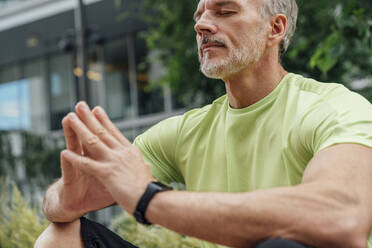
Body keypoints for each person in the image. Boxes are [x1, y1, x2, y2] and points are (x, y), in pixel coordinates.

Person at [35, 0, 372, 247]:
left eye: (225, 12)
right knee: (62, 235)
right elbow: (62, 203)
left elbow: (342, 217)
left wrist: (150, 200)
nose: (202, 25)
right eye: (200, 16)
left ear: (276, 28)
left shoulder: (332, 108)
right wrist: (65, 198)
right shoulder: (185, 131)